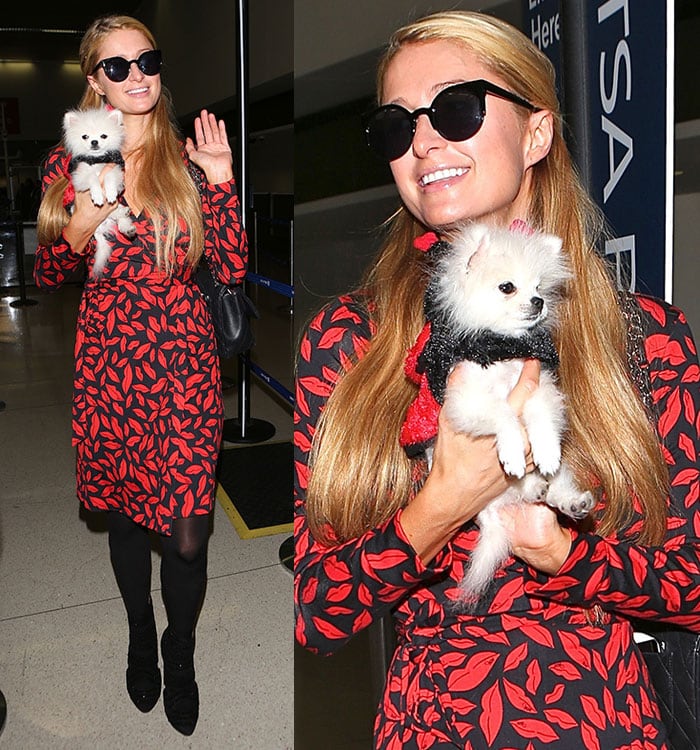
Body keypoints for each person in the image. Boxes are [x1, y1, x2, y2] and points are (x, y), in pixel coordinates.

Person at [294, 10, 700, 749]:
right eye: (395, 126)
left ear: (536, 133)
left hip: (602, 721)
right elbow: (318, 613)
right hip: (433, 723)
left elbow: (693, 586)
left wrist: (568, 557)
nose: (421, 142)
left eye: (456, 108)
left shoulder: (644, 338)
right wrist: (442, 505)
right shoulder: (353, 342)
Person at [34, 15, 247, 736]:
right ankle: (136, 632)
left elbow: (232, 270)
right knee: (127, 518)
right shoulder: (73, 159)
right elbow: (50, 269)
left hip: (185, 367)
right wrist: (88, 211)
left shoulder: (185, 160)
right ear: (94, 78)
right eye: (118, 67)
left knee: (188, 538)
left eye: (148, 60)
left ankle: (177, 650)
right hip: (111, 367)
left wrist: (219, 185)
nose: (137, 76)